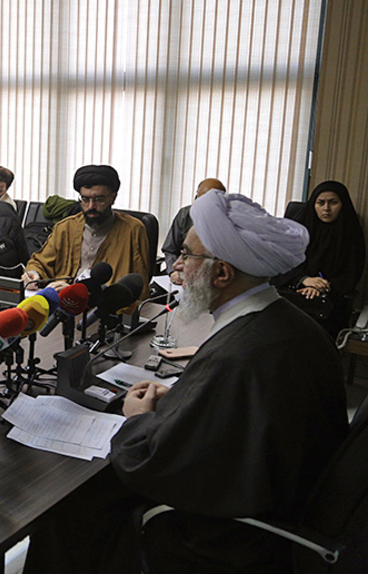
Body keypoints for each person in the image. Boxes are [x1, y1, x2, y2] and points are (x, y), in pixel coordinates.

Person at [104, 191, 346, 572]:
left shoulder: (236, 357)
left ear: (221, 273)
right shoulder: (291, 322)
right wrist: (184, 400)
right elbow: (242, 411)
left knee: (81, 507)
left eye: (187, 255)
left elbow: (151, 462)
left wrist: (138, 417)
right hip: (289, 506)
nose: (177, 266)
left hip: (234, 539)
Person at [23, 165, 150, 299]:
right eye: (85, 199)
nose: (91, 206)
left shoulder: (133, 230)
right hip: (60, 303)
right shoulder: (66, 227)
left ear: (113, 198)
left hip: (103, 307)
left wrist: (78, 291)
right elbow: (41, 261)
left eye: (99, 200)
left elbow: (137, 286)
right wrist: (33, 273)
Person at [274, 180, 366, 335]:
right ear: (313, 205)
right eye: (321, 203)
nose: (326, 208)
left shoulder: (350, 234)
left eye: (333, 203)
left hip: (329, 299)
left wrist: (320, 287)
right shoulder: (297, 231)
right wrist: (303, 279)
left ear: (342, 205)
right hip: (289, 292)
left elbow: (350, 274)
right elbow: (279, 263)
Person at [162, 177, 226, 284]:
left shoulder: (229, 222)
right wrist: (173, 272)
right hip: (184, 274)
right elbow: (170, 250)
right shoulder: (185, 215)